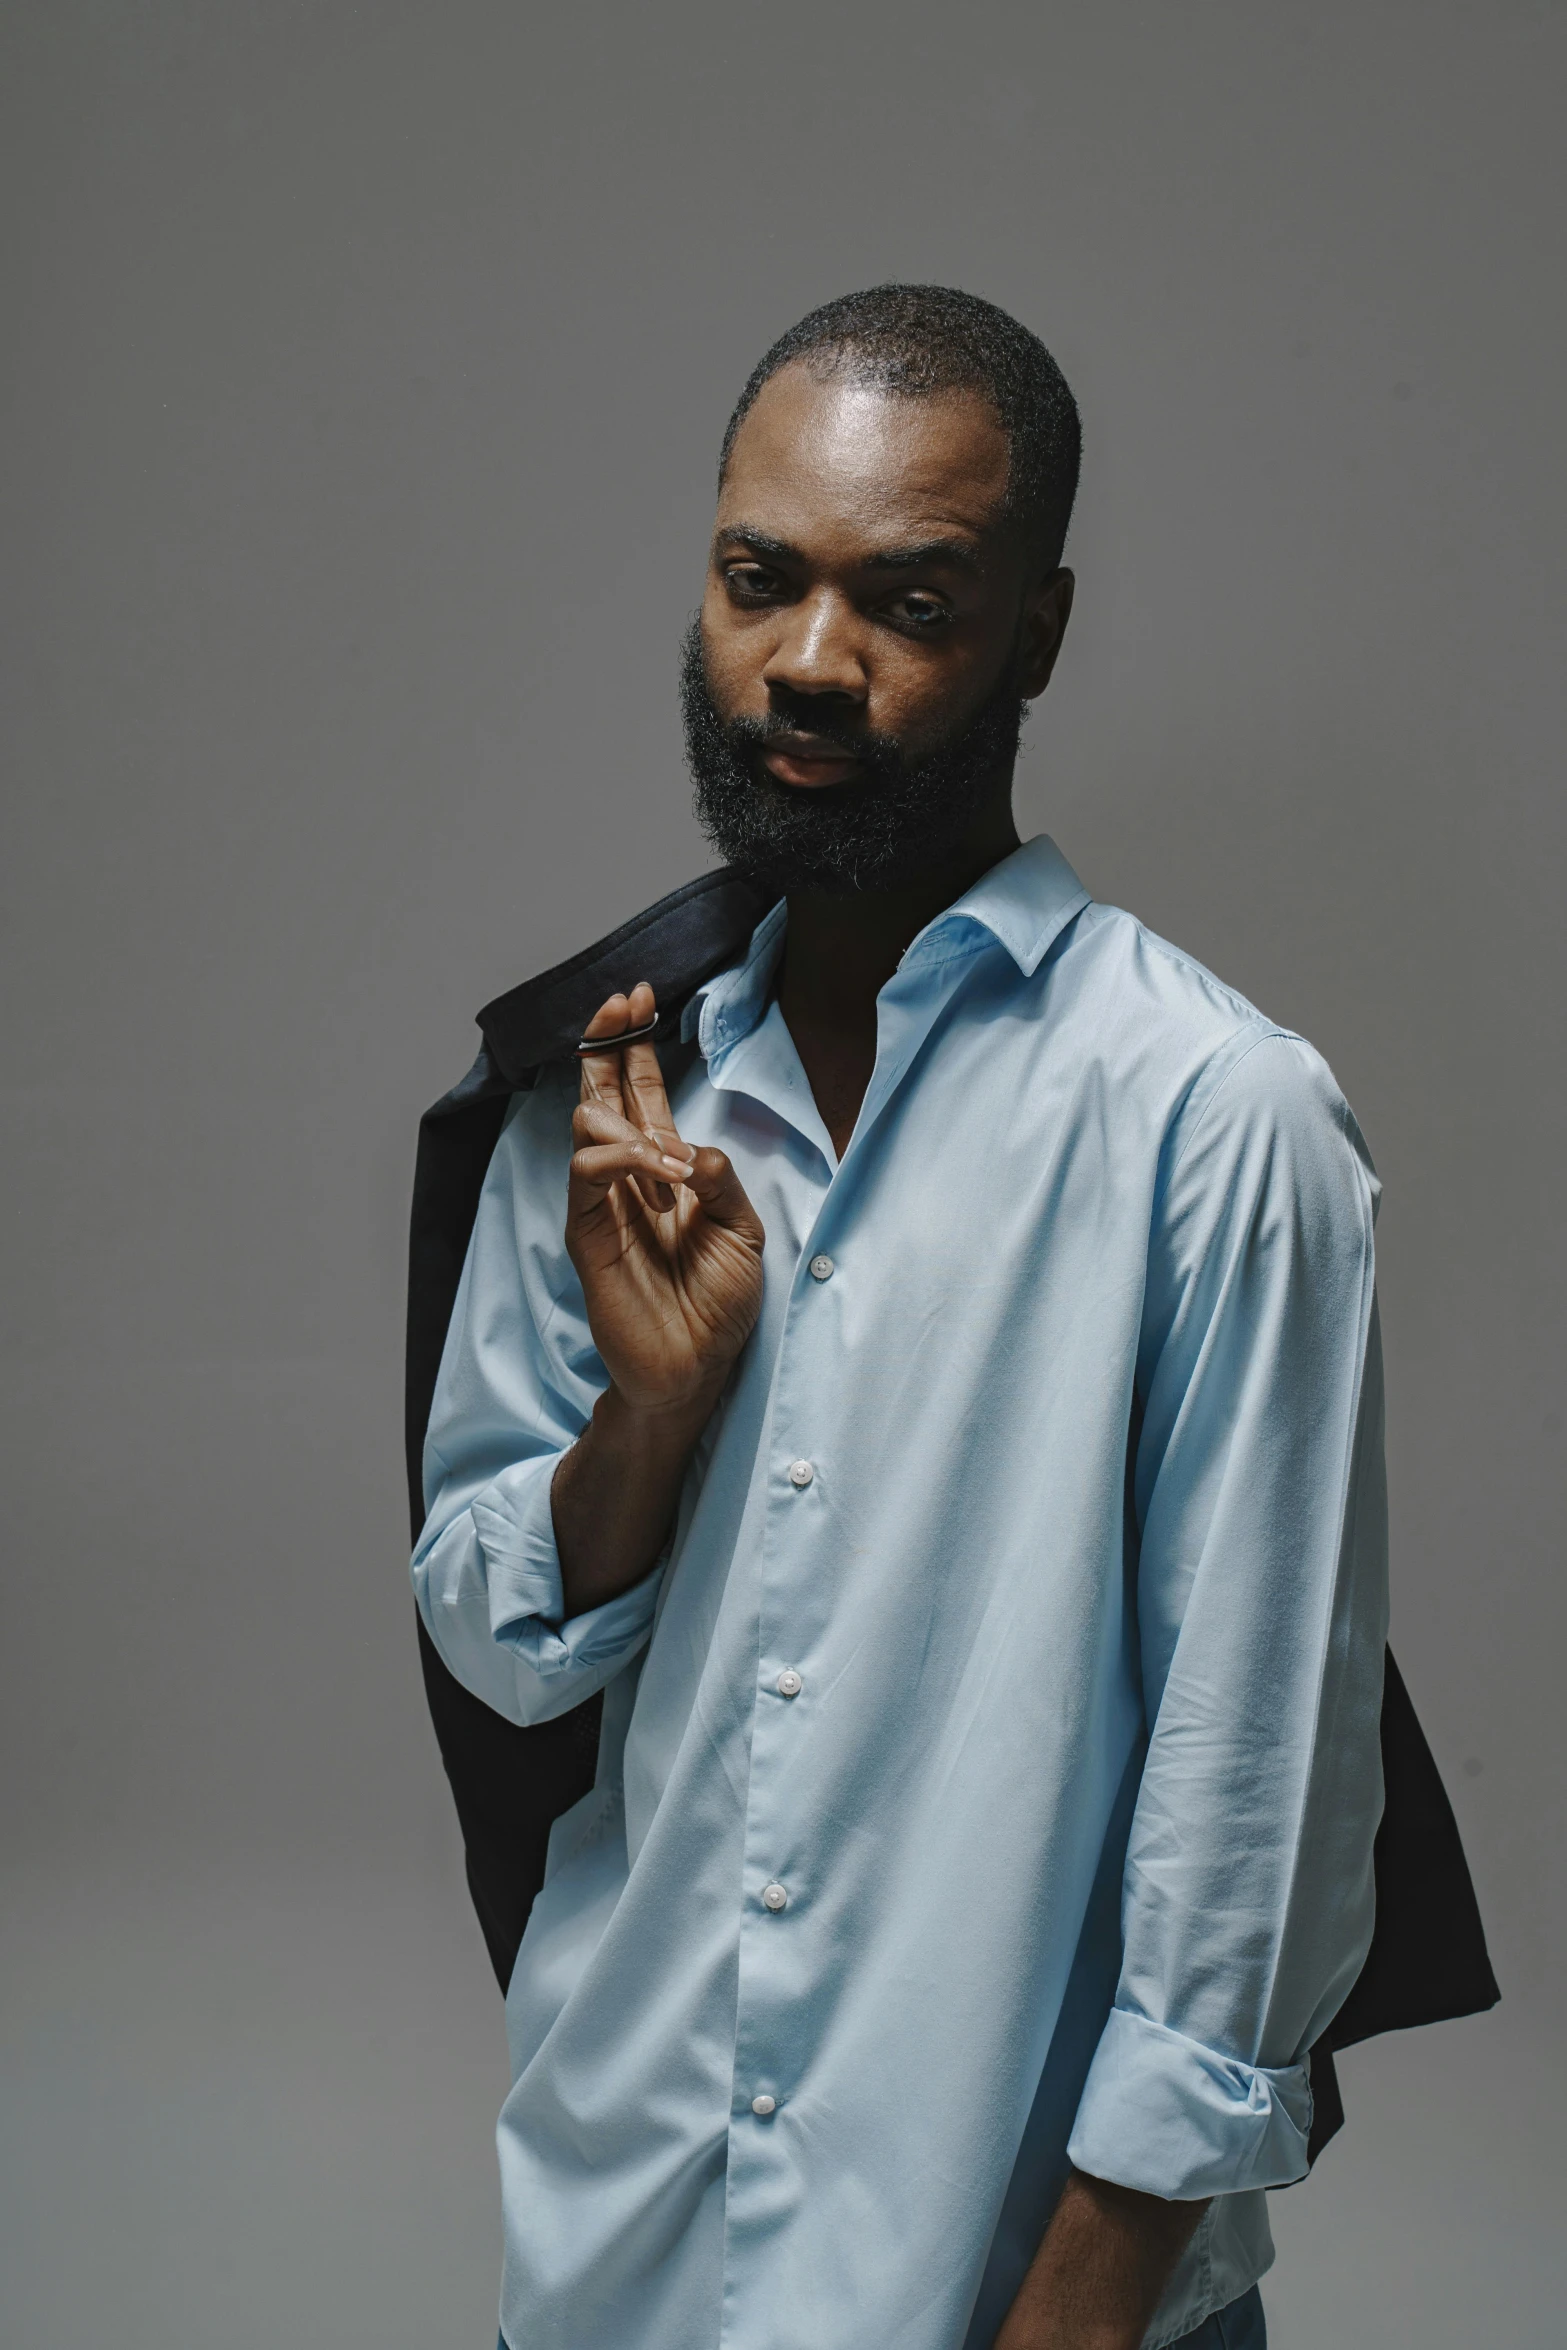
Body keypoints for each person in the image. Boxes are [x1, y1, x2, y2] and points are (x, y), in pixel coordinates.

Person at [408, 286, 1489, 2350]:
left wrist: (1083, 2302)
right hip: (615, 2240)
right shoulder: (604, 1090)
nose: (811, 662)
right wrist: (648, 1419)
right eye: (759, 581)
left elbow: (1260, 1778)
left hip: (1019, 2287)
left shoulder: (1212, 1120)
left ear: (1039, 634)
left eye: (908, 597)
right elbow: (492, 1634)